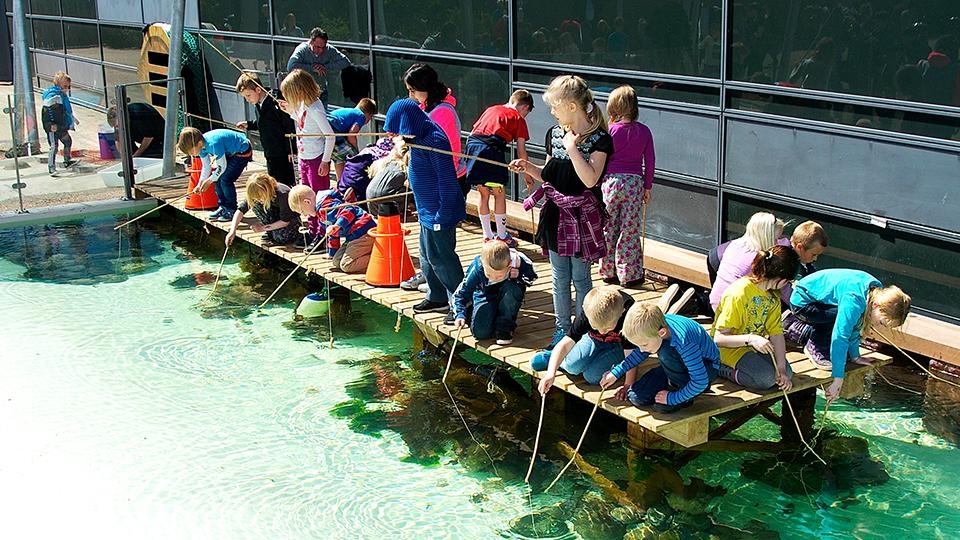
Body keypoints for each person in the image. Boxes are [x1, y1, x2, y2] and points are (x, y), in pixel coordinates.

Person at [513, 75, 611, 346]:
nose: (552, 112)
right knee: (559, 278)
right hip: (556, 214)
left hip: (581, 218)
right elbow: (549, 175)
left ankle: (581, 333)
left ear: (570, 106)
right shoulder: (553, 133)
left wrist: (572, 148)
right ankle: (561, 330)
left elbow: (590, 179)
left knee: (581, 278)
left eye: (554, 106)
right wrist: (527, 167)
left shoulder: (600, 138)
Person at [383, 98, 466, 318]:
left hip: (439, 211)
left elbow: (447, 181)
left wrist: (442, 215)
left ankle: (459, 302)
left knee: (442, 257)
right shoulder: (417, 138)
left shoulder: (435, 140)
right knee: (427, 256)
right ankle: (436, 296)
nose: (399, 136)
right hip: (425, 210)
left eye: (400, 131)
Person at [788, 270, 911, 402]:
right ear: (876, 306)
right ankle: (813, 345)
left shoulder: (876, 293)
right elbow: (840, 337)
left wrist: (855, 357)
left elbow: (856, 326)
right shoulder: (854, 300)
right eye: (882, 322)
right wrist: (838, 379)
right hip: (802, 303)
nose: (880, 327)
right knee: (841, 320)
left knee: (848, 321)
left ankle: (809, 331)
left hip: (822, 301)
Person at [599, 303, 720, 413]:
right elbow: (640, 352)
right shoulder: (655, 326)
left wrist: (673, 398)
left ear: (661, 333)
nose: (641, 350)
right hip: (677, 363)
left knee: (665, 351)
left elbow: (700, 381)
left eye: (644, 345)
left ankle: (682, 392)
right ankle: (677, 385)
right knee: (636, 397)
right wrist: (616, 372)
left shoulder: (684, 342)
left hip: (706, 367)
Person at [712, 246, 800, 391]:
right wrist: (752, 339)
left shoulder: (772, 295)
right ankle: (720, 368)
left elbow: (776, 333)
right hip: (728, 350)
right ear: (781, 279)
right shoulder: (739, 294)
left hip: (753, 347)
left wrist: (782, 369)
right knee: (765, 379)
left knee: (786, 374)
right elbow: (719, 338)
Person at [533, 285, 637, 394]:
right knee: (572, 367)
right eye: (596, 327)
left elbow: (631, 354)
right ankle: (554, 358)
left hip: (619, 346)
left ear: (621, 314)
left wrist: (628, 385)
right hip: (594, 340)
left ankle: (565, 359)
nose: (602, 332)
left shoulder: (627, 316)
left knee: (592, 377)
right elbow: (566, 342)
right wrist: (550, 374)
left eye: (608, 328)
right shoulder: (590, 311)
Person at [601, 85, 655, 289]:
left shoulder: (610, 131)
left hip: (611, 182)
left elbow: (601, 159)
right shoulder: (644, 131)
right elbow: (650, 161)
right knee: (629, 229)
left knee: (609, 227)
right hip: (634, 183)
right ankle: (628, 274)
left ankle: (608, 271)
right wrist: (647, 186)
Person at [463, 89, 534, 246]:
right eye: (526, 113)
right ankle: (502, 236)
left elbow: (475, 130)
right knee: (499, 193)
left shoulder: (491, 109)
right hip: (491, 151)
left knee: (483, 194)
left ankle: (487, 235)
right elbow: (521, 151)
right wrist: (528, 176)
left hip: (473, 148)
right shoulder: (517, 118)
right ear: (525, 107)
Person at [279, 69, 336, 250]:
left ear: (299, 90)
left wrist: (325, 161)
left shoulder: (316, 108)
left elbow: (330, 135)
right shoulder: (304, 105)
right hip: (304, 156)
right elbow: (302, 123)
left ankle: (322, 234)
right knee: (306, 197)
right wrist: (290, 112)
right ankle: (312, 231)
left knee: (318, 197)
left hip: (316, 159)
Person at [452, 239, 537, 345]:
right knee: (480, 333)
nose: (494, 278)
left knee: (513, 290)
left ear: (509, 264)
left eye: (499, 276)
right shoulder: (477, 268)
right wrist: (460, 314)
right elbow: (460, 294)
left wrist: (519, 275)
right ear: (483, 265)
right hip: (485, 293)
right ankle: (478, 312)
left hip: (508, 291)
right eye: (489, 275)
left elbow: (532, 278)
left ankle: (504, 327)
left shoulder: (518, 261)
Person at [288, 186, 376, 273]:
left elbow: (349, 209)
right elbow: (333, 234)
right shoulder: (320, 215)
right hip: (352, 236)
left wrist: (337, 225)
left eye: (302, 211)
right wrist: (332, 254)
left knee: (347, 265)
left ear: (307, 202)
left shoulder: (326, 206)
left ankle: (381, 259)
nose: (304, 215)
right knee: (336, 261)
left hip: (363, 231)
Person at [708, 212, 785, 311]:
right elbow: (775, 286)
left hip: (717, 300)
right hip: (733, 309)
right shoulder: (758, 258)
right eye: (776, 239)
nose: (777, 243)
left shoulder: (735, 244)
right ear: (766, 237)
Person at [177, 127, 252, 222]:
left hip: (242, 151)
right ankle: (223, 206)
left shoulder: (213, 144)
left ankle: (231, 209)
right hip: (230, 153)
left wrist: (209, 180)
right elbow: (206, 167)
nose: (192, 155)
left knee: (225, 180)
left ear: (199, 143)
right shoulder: (201, 148)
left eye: (191, 152)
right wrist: (200, 184)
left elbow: (221, 167)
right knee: (218, 179)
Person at [235, 72, 296, 186]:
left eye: (248, 96)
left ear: (258, 90)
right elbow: (264, 123)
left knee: (285, 181)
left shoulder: (275, 102)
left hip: (282, 150)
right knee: (274, 180)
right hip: (270, 151)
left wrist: (291, 149)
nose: (247, 100)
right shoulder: (258, 104)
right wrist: (249, 124)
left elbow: (289, 126)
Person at [225, 173, 300, 248]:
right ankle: (271, 232)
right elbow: (240, 210)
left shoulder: (282, 194)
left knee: (281, 238)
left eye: (260, 197)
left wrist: (262, 228)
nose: (258, 199)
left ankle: (276, 232)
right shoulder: (256, 197)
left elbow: (285, 221)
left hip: (289, 219)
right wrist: (232, 231)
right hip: (274, 215)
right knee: (254, 204)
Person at [286, 27, 351, 105]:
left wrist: (325, 67)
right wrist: (312, 68)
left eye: (323, 47)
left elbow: (345, 62)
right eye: (317, 47)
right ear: (311, 42)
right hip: (305, 93)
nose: (320, 50)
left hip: (321, 92)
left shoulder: (329, 49)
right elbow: (291, 66)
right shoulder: (302, 49)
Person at [326, 97, 378, 179]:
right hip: (335, 135)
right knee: (355, 158)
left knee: (339, 159)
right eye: (370, 118)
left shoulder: (349, 111)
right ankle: (357, 180)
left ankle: (340, 183)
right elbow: (351, 135)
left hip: (328, 135)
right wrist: (356, 149)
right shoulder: (360, 115)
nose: (369, 121)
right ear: (369, 114)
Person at [41, 71, 79, 176]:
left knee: (67, 141)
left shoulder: (61, 95)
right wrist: (50, 125)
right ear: (58, 84)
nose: (67, 88)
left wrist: (72, 119)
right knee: (54, 146)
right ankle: (51, 167)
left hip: (61, 125)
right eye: (65, 86)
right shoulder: (54, 96)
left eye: (68, 86)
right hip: (53, 126)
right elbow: (48, 112)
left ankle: (67, 160)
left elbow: (65, 111)